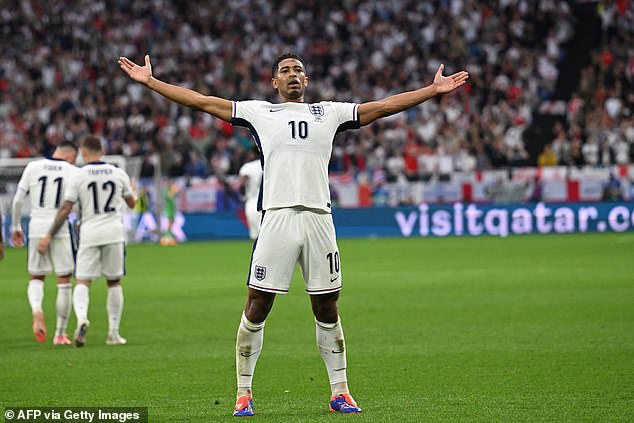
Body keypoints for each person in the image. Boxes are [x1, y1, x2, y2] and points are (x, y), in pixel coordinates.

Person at [118, 53, 468, 416]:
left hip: (319, 219)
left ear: (307, 79)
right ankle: (243, 392)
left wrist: (431, 90)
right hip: (278, 218)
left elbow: (380, 107)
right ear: (274, 83)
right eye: (285, 71)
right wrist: (151, 82)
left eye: (298, 70)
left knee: (327, 306)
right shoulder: (259, 113)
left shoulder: (329, 113)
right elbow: (202, 101)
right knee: (257, 305)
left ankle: (340, 392)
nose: (292, 75)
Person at [37, 135, 136, 347]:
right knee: (114, 282)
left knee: (82, 281)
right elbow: (132, 203)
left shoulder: (79, 175)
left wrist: (49, 233)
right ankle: (113, 333)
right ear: (102, 150)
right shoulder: (118, 173)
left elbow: (65, 209)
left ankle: (82, 318)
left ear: (83, 152)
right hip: (114, 232)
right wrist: (133, 191)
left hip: (90, 231)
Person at [10, 141, 78, 345]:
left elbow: (17, 200)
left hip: (37, 225)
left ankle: (37, 309)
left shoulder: (33, 166)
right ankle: (60, 333)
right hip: (60, 227)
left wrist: (15, 227)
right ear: (70, 157)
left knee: (36, 277)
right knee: (64, 281)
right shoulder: (72, 170)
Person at [238, 147, 263, 240]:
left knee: (255, 238)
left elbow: (243, 182)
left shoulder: (248, 167)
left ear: (253, 153)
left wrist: (241, 194)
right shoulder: (269, 164)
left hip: (252, 203)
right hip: (268, 204)